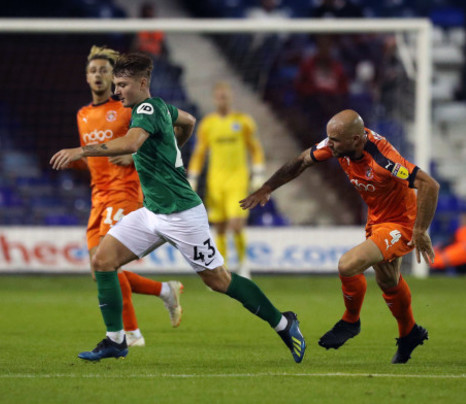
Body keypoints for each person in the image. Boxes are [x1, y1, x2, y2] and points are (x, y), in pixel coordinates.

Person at [51, 52, 306, 363]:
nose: (116, 91)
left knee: (219, 281)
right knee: (103, 261)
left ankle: (283, 322)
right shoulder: (159, 107)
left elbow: (131, 143)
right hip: (152, 213)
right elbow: (188, 121)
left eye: (122, 85)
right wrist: (174, 149)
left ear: (142, 83)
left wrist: (81, 151)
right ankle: (116, 340)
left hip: (182, 215)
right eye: (115, 85)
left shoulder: (146, 108)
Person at [241, 109, 439, 364]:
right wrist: (267, 188)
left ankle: (351, 320)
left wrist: (420, 230)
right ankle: (409, 333)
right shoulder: (338, 146)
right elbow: (301, 161)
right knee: (388, 281)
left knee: (348, 264)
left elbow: (429, 184)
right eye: (329, 139)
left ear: (356, 140)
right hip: (378, 219)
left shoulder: (383, 158)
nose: (329, 144)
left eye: (335, 140)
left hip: (401, 223)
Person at [75, 45, 184, 347]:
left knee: (105, 264)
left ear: (113, 78)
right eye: (93, 70)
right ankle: (165, 291)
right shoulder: (82, 115)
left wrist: (134, 156)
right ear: (86, 77)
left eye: (104, 70)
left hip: (125, 193)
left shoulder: (127, 109)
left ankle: (131, 334)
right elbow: (94, 158)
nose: (98, 75)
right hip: (99, 198)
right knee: (100, 271)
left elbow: (155, 136)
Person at [187, 81, 265, 278]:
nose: (223, 99)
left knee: (236, 223)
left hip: (238, 179)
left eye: (226, 96)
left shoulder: (243, 121)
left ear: (231, 98)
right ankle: (223, 269)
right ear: (215, 99)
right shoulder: (208, 124)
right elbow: (199, 153)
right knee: (220, 226)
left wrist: (258, 173)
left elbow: (255, 148)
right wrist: (193, 178)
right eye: (220, 96)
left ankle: (244, 264)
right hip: (216, 181)